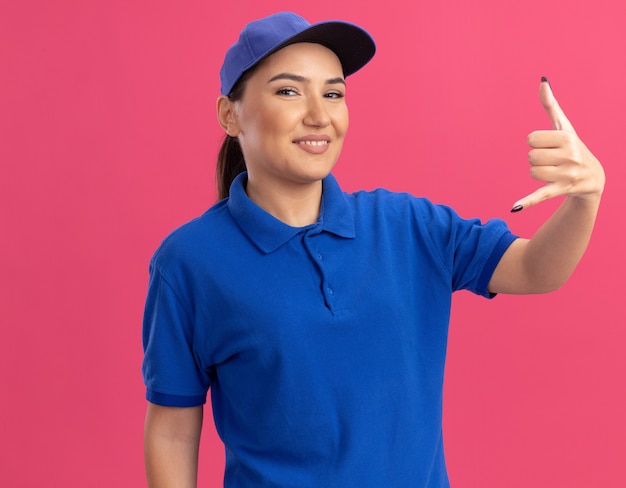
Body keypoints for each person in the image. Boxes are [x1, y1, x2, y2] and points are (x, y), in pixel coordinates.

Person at [142, 11, 605, 488]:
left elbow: (533, 270)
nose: (319, 115)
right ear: (229, 114)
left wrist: (584, 200)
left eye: (333, 93)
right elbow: (173, 432)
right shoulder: (189, 263)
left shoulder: (408, 226)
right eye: (288, 91)